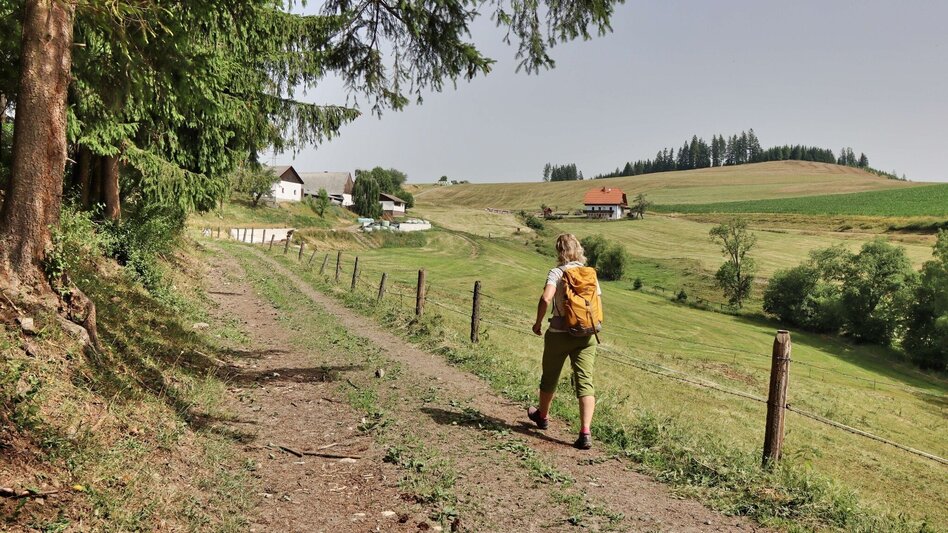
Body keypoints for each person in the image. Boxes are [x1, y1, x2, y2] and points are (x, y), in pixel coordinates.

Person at [528, 233, 601, 449]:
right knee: (585, 381)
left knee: (550, 377)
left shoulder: (557, 272)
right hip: (586, 335)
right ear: (578, 249)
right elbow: (596, 302)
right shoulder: (589, 273)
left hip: (559, 334)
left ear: (559, 251)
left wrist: (538, 323)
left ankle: (542, 416)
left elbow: (546, 298)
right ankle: (585, 432)